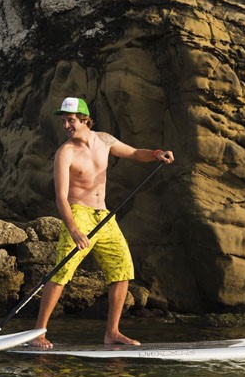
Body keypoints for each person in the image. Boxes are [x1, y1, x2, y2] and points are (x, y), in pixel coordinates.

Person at [29, 97, 174, 349]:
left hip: (104, 215)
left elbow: (133, 153)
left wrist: (156, 154)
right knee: (61, 272)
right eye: (64, 121)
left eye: (70, 120)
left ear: (85, 119)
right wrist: (73, 229)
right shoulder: (65, 153)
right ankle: (38, 333)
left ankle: (112, 332)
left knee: (122, 270)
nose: (66, 125)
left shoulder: (104, 140)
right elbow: (60, 197)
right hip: (78, 213)